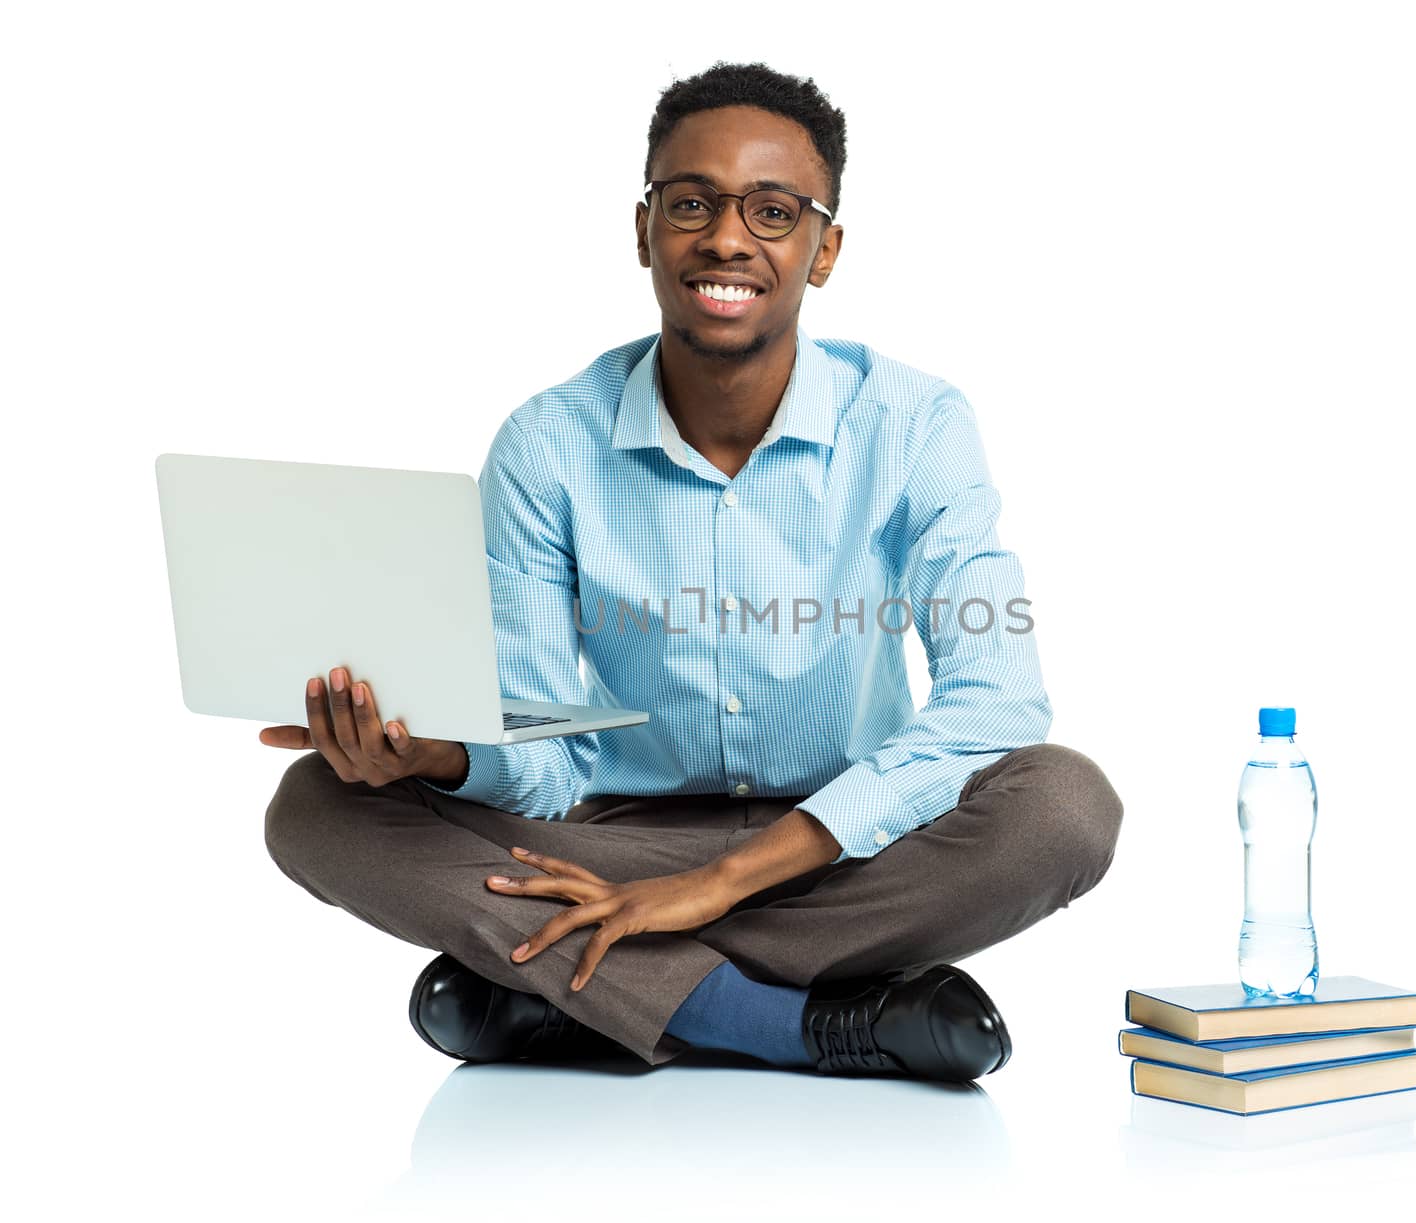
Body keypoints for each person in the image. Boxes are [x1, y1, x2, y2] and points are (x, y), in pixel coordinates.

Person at [262, 60, 1123, 1082]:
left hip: (849, 841)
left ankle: (564, 990)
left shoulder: (916, 424)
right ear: (643, 231)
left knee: (1063, 806)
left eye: (772, 211)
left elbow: (996, 704)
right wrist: (435, 756)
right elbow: (540, 751)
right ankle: (787, 1019)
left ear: (824, 248)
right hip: (613, 848)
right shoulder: (548, 443)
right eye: (691, 203)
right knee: (317, 805)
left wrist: (724, 882)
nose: (726, 239)